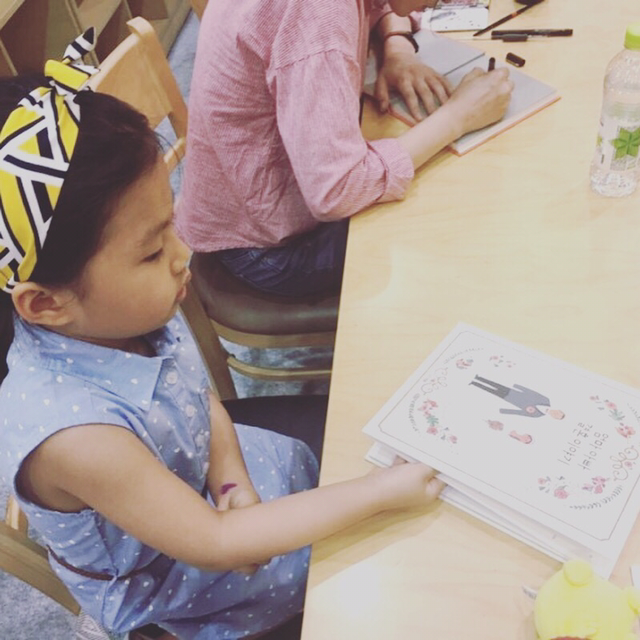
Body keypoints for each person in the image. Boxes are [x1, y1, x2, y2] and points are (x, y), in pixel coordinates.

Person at [0, 35, 444, 640]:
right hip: (194, 579)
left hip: (213, 489)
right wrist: (377, 494)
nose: (184, 253)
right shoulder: (75, 437)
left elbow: (197, 399)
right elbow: (215, 543)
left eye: (170, 223)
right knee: (405, 578)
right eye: (152, 250)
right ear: (46, 303)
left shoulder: (113, 317)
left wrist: (231, 480)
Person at [175, 0, 514, 297]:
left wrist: (397, 47)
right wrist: (456, 117)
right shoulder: (318, 15)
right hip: (269, 248)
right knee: (466, 220)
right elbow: (336, 190)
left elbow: (382, 6)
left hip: (256, 205)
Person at [470, 375, 565, 419]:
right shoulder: (546, 400)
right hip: (514, 392)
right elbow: (531, 392)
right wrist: (518, 387)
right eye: (558, 413)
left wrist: (504, 411)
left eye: (556, 416)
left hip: (510, 399)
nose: (555, 414)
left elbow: (520, 413)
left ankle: (474, 383)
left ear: (553, 418)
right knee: (495, 385)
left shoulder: (537, 415)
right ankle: (478, 378)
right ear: (558, 410)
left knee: (491, 391)